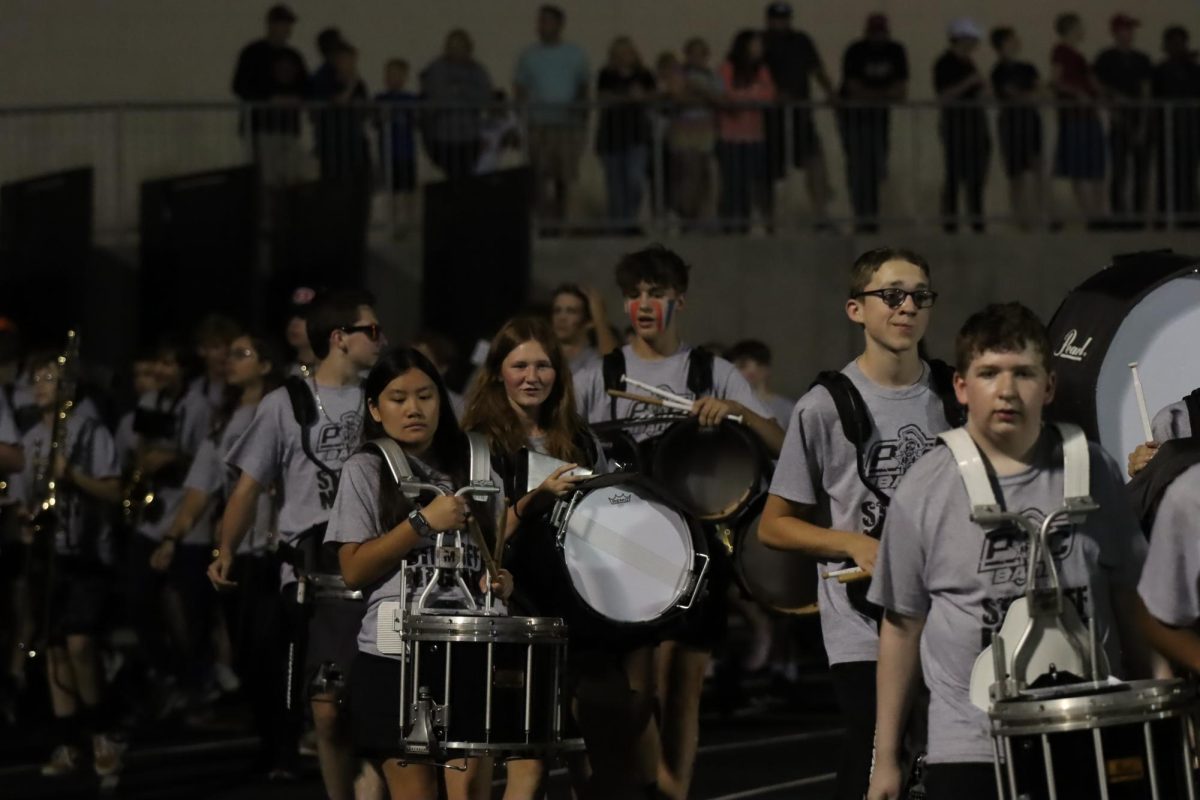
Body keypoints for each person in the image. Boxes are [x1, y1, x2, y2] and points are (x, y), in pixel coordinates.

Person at [866, 302, 1156, 800]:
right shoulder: (925, 487)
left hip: (1088, 726)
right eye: (988, 373)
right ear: (961, 387)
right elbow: (902, 626)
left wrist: (1162, 713)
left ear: (1048, 386)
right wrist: (885, 759)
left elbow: (1132, 601)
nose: (1005, 390)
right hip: (972, 745)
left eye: (1023, 373)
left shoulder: (1094, 470)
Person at [573, 245, 782, 799]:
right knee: (634, 691)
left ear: (679, 301)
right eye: (635, 294)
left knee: (682, 687)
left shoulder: (711, 372)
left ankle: (673, 790)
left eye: (657, 295)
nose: (644, 305)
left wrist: (734, 412)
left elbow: (780, 444)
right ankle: (639, 782)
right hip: (619, 549)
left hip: (696, 545)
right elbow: (558, 446)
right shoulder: (600, 373)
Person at [758, 247, 953, 800]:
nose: (907, 306)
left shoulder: (955, 395)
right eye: (891, 295)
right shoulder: (822, 406)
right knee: (875, 749)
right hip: (862, 621)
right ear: (856, 310)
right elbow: (775, 525)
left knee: (948, 756)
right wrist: (853, 543)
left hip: (948, 610)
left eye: (919, 295)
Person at [462, 317, 665, 799]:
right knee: (522, 763)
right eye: (519, 365)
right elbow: (479, 541)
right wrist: (538, 498)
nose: (532, 377)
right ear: (497, 373)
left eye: (543, 365)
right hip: (511, 618)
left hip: (579, 613)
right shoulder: (479, 444)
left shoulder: (581, 440)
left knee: (604, 755)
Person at [208, 289, 385, 800]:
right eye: (370, 330)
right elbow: (248, 486)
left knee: (372, 702)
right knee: (326, 709)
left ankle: (372, 779)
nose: (381, 339)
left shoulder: (386, 393)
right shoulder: (284, 403)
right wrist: (225, 550)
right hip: (311, 572)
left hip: (379, 564)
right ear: (339, 338)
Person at [329, 347, 512, 800]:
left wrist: (501, 580)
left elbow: (494, 559)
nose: (414, 408)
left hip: (470, 650)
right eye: (397, 398)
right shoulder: (365, 469)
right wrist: (421, 523)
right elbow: (352, 570)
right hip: (396, 656)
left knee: (469, 791)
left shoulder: (477, 465)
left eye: (426, 396)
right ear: (374, 408)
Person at [154, 333, 286, 774]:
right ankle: (269, 738)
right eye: (228, 354)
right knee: (245, 648)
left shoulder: (281, 409)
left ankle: (281, 746)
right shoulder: (224, 417)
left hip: (275, 544)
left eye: (242, 354)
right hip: (239, 547)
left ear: (266, 365)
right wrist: (174, 536)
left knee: (271, 648)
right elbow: (202, 484)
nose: (231, 362)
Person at [21, 354, 124, 778]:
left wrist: (72, 476)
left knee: (81, 643)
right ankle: (68, 741)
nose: (43, 385)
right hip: (48, 554)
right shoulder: (29, 438)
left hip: (85, 552)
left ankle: (103, 731)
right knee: (54, 648)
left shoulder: (89, 431)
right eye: (37, 379)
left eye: (52, 378)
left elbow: (114, 491)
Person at [514, 5, 590, 230]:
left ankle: (561, 221)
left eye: (546, 21)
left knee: (563, 176)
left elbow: (583, 86)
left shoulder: (575, 53)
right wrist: (521, 116)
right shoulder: (529, 55)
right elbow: (520, 87)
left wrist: (580, 114)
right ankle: (543, 222)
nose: (540, 25)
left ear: (559, 24)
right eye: (540, 21)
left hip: (567, 125)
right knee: (539, 175)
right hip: (539, 124)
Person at [762, 2, 835, 227]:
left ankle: (821, 214)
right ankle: (768, 219)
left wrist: (831, 92)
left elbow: (816, 69)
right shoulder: (762, 42)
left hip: (800, 115)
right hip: (771, 118)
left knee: (814, 161)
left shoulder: (801, 41)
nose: (781, 22)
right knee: (768, 172)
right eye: (776, 18)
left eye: (784, 18)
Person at [838, 14, 909, 233]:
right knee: (859, 168)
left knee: (877, 166)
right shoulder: (856, 51)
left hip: (878, 119)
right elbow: (853, 88)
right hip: (854, 119)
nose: (878, 37)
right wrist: (882, 96)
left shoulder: (895, 51)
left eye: (882, 32)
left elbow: (901, 90)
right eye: (875, 32)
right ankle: (862, 216)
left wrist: (872, 97)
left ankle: (872, 216)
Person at [231, 4, 309, 188]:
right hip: (262, 127)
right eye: (283, 24)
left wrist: (297, 100)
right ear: (271, 25)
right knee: (267, 181)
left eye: (289, 25)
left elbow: (305, 87)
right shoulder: (253, 52)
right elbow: (240, 85)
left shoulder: (294, 55)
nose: (287, 29)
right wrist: (269, 100)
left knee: (290, 180)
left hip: (288, 128)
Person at [1095, 14, 1154, 225]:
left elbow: (1146, 93)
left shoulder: (1142, 59)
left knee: (1141, 171)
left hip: (1139, 120)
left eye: (1130, 30)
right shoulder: (1106, 58)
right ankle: (1120, 217)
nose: (1129, 34)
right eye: (1125, 29)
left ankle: (1138, 216)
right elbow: (1098, 87)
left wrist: (1143, 125)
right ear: (1116, 32)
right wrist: (1114, 107)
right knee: (1119, 171)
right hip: (1117, 121)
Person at [717, 30, 777, 233]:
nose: (759, 48)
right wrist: (751, 96)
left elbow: (768, 95)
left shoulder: (761, 69)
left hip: (754, 136)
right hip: (731, 136)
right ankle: (730, 222)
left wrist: (744, 97)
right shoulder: (728, 67)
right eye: (755, 44)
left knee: (752, 182)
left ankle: (745, 223)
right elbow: (724, 94)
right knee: (733, 182)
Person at [934, 18, 990, 233]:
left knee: (976, 175)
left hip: (975, 124)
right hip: (956, 125)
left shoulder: (969, 63)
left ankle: (977, 221)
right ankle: (951, 223)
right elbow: (945, 95)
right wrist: (970, 82)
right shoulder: (945, 63)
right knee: (955, 174)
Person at [594, 37, 656, 231]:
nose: (623, 58)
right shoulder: (606, 74)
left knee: (635, 180)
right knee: (615, 186)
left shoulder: (644, 74)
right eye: (618, 54)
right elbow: (604, 97)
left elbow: (652, 95)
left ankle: (629, 220)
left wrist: (638, 97)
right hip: (611, 136)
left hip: (636, 135)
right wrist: (629, 98)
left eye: (627, 53)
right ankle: (618, 224)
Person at [1051, 13, 1106, 224]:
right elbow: (1055, 80)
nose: (1083, 30)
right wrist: (1077, 93)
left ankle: (1097, 212)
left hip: (1088, 115)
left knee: (1094, 165)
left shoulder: (1077, 55)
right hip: (1075, 117)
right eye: (1080, 26)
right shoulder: (1061, 51)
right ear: (1071, 28)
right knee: (1079, 166)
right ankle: (1090, 213)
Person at [990, 27, 1045, 230]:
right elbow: (1010, 93)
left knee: (1037, 168)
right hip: (1011, 123)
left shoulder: (1028, 68)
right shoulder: (999, 71)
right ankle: (1021, 218)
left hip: (1030, 120)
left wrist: (1028, 96)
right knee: (1017, 175)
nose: (1015, 43)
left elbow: (1040, 91)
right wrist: (1027, 96)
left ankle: (1041, 214)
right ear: (1001, 45)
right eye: (1011, 40)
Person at [420, 29, 493, 180]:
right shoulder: (436, 68)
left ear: (468, 48)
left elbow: (484, 98)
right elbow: (438, 96)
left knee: (467, 177)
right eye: (451, 46)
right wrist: (461, 94)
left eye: (459, 46)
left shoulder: (478, 70)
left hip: (469, 135)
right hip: (443, 135)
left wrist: (461, 89)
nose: (455, 50)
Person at [666, 38, 721, 225]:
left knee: (704, 174)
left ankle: (700, 215)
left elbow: (718, 98)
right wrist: (701, 97)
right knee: (689, 172)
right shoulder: (678, 72)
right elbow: (678, 98)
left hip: (705, 130)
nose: (697, 57)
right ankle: (685, 214)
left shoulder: (711, 75)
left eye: (701, 53)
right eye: (693, 53)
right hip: (683, 130)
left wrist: (698, 90)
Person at [1152, 26, 1200, 227]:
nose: (1177, 46)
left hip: (1190, 130)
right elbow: (1154, 98)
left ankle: (1188, 216)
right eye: (1173, 42)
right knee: (1166, 173)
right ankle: (1165, 216)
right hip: (1167, 131)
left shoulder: (1193, 70)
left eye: (1180, 42)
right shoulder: (1161, 70)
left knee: (1188, 174)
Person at [311, 41, 370, 183]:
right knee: (334, 182)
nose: (351, 65)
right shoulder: (326, 80)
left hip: (354, 140)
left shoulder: (359, 84)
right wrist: (350, 86)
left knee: (358, 181)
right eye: (347, 60)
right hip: (332, 141)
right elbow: (338, 101)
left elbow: (364, 108)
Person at [374, 59, 419, 234]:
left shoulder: (409, 99)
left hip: (406, 151)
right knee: (390, 189)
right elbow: (376, 121)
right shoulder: (380, 99)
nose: (393, 78)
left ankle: (409, 220)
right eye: (390, 74)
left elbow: (416, 121)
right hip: (387, 152)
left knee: (408, 189)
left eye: (397, 74)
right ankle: (393, 220)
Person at [549, 284, 617, 376]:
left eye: (571, 311)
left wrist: (599, 318)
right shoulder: (543, 356)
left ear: (589, 322)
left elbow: (614, 367)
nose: (561, 318)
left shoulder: (593, 361)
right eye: (557, 310)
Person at [725, 339, 794, 429]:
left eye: (742, 365)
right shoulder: (730, 405)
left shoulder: (788, 408)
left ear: (765, 367)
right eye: (741, 365)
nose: (752, 367)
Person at [187, 314, 240, 415]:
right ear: (201, 350)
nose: (224, 352)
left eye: (229, 346)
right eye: (216, 347)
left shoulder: (243, 389)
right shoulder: (193, 388)